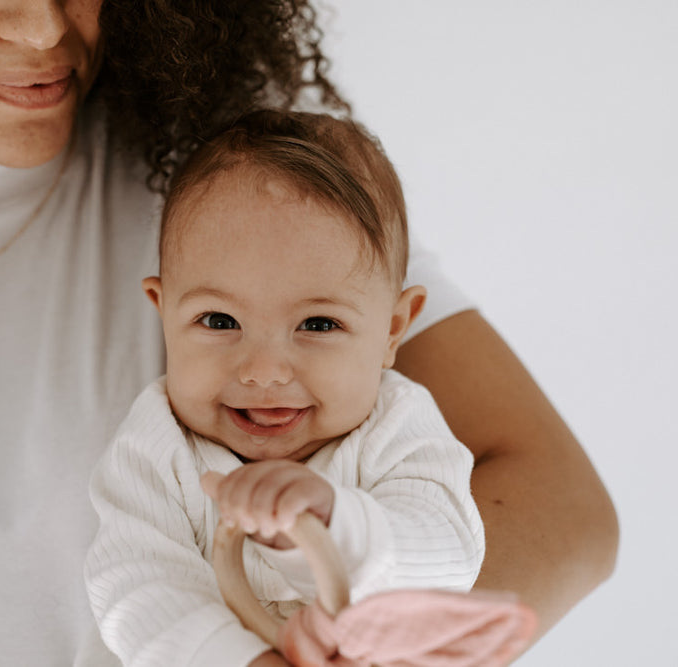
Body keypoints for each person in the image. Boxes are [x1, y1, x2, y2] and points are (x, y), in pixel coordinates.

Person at [0, 2, 618, 666]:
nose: (43, 28)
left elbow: (565, 512)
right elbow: (138, 582)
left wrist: (380, 644)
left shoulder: (234, 180)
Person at [85, 110, 487, 666]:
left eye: (318, 325)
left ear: (394, 328)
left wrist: (331, 524)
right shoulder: (155, 448)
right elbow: (136, 587)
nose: (264, 372)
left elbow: (450, 552)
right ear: (163, 313)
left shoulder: (398, 426)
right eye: (220, 321)